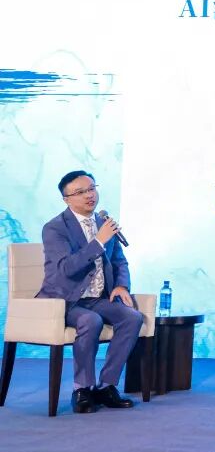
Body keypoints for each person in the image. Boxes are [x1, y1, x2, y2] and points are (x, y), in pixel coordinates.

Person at [37, 171, 144, 414]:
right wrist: (98, 241)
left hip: (97, 298)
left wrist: (121, 286)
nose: (89, 195)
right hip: (65, 300)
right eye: (80, 192)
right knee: (90, 320)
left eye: (92, 188)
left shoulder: (103, 223)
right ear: (66, 199)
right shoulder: (55, 228)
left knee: (132, 317)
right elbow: (67, 268)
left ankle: (106, 386)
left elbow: (119, 261)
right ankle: (82, 389)